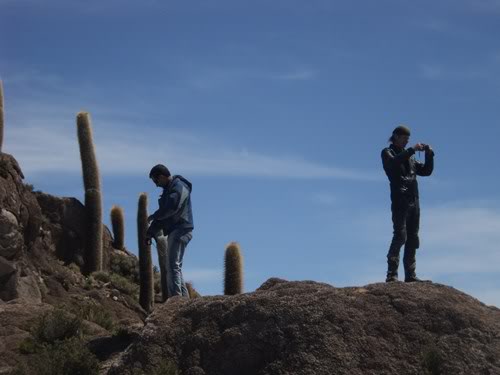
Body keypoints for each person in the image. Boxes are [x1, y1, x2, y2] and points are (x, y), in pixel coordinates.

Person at [381, 125, 434, 282]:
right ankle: (391, 275)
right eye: (404, 139)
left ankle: (410, 275)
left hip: (414, 200)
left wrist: (430, 155)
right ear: (396, 137)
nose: (406, 142)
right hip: (400, 201)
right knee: (400, 236)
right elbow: (393, 163)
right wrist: (411, 149)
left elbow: (425, 171)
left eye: (408, 140)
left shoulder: (409, 157)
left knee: (413, 238)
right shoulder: (387, 152)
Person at [146, 164, 194, 299]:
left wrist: (154, 216)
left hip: (181, 230)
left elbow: (171, 208)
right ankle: (184, 302)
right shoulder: (169, 191)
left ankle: (176, 301)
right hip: (176, 230)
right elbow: (164, 216)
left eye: (156, 181)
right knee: (175, 267)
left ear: (161, 177)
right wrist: (150, 232)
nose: (156, 185)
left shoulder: (179, 187)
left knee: (172, 266)